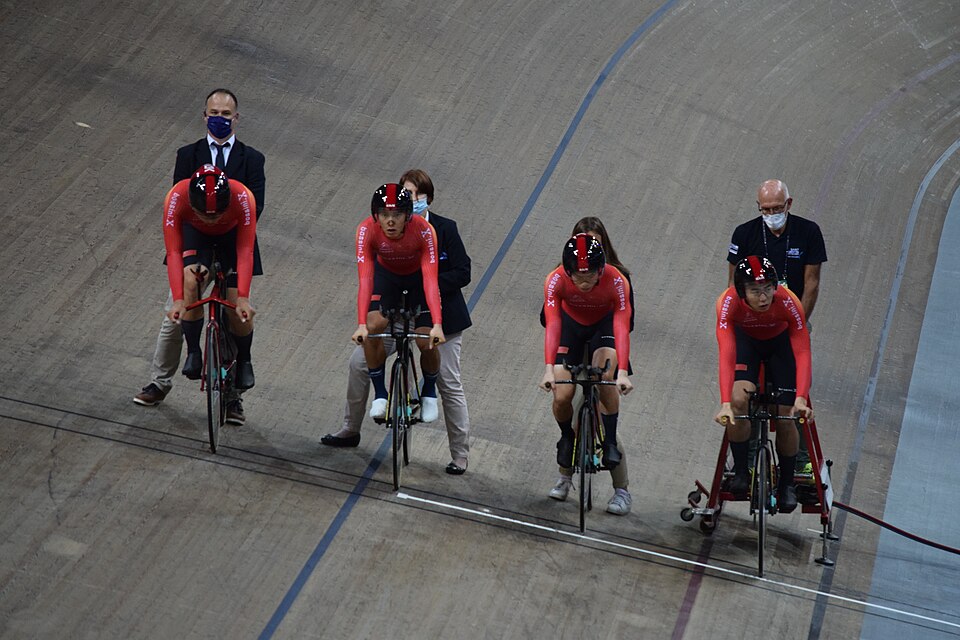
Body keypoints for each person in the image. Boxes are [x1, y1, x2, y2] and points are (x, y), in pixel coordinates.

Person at [322, 170, 474, 475]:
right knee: (357, 362)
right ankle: (350, 429)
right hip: (394, 305)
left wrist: (421, 283)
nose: (411, 202)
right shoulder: (380, 230)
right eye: (408, 194)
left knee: (449, 382)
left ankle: (460, 455)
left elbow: (463, 272)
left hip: (437, 310)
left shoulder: (443, 229)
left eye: (417, 195)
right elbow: (369, 277)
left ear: (426, 199)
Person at [135, 88, 266, 427]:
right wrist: (181, 295)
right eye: (214, 112)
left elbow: (257, 208)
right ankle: (161, 381)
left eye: (226, 114)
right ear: (204, 115)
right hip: (196, 233)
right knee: (177, 307)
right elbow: (180, 209)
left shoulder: (252, 159)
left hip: (236, 232)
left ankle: (233, 397)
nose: (219, 118)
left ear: (236, 118)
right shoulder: (187, 154)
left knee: (235, 310)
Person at [539, 233, 634, 515]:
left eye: (590, 275)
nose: (583, 283)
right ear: (567, 270)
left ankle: (610, 444)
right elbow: (553, 325)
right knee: (563, 391)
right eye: (577, 277)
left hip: (603, 328)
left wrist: (624, 371)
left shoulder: (617, 280)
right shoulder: (555, 280)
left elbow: (622, 325)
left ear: (600, 267)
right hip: (571, 328)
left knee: (605, 377)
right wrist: (548, 369)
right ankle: (567, 438)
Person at [713, 256, 814, 513]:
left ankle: (787, 484)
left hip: (781, 347)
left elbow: (802, 352)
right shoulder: (727, 303)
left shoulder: (788, 301)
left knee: (786, 416)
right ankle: (741, 473)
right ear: (741, 291)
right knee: (738, 403)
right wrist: (725, 403)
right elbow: (726, 353)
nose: (764, 297)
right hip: (747, 344)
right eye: (756, 291)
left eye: (769, 288)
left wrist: (801, 398)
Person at [351, 183, 445, 430]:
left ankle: (428, 391)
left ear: (408, 216)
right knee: (374, 326)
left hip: (417, 281)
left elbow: (431, 279)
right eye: (384, 215)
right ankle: (381, 393)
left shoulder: (424, 230)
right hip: (387, 279)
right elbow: (365, 279)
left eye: (396, 216)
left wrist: (436, 324)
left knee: (426, 342)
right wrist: (361, 324)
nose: (390, 221)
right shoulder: (366, 230)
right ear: (376, 216)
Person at [162, 165, 257, 391]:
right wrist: (178, 299)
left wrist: (243, 297)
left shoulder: (244, 197)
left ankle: (245, 359)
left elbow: (245, 251)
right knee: (191, 282)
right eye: (203, 214)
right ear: (192, 204)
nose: (211, 219)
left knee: (236, 306)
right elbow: (174, 252)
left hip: (233, 238)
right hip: (197, 236)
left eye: (217, 214)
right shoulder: (176, 197)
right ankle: (194, 351)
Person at [726, 179, 826, 321]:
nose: (772, 214)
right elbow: (733, 282)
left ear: (789, 203)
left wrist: (799, 322)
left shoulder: (809, 232)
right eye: (766, 209)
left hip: (791, 312)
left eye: (778, 208)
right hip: (754, 315)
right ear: (759, 206)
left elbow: (811, 283)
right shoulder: (743, 234)